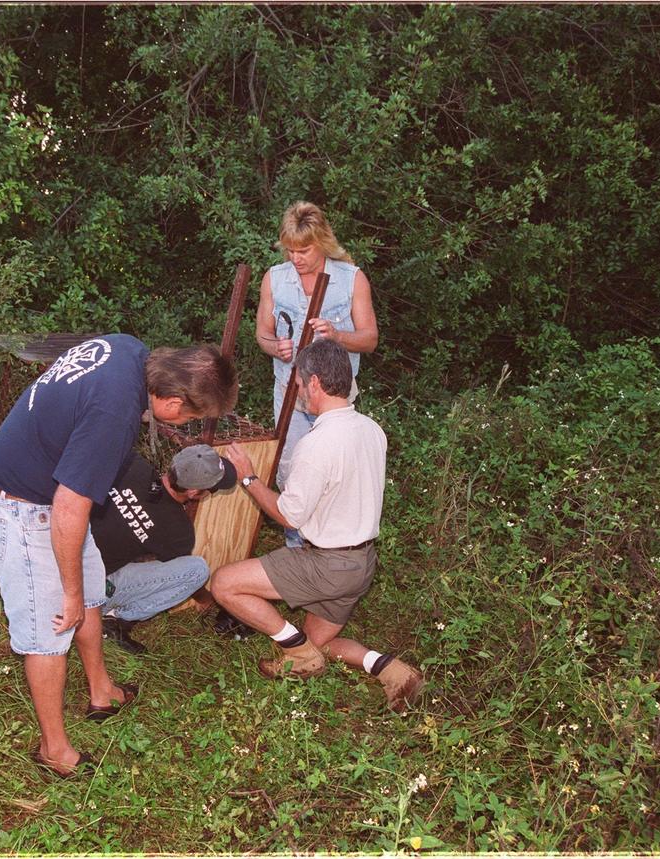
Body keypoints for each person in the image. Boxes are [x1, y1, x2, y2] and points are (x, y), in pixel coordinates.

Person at [0, 335, 237, 778]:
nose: (189, 423)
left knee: (93, 591)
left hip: (49, 494)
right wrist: (68, 594)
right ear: (173, 401)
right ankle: (53, 749)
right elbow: (68, 508)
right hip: (21, 503)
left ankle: (101, 691)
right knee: (51, 624)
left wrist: (81, 591)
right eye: (193, 416)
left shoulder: (129, 350)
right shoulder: (114, 417)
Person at [211, 338, 422, 713]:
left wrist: (249, 478)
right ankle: (395, 672)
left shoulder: (319, 443)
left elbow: (289, 516)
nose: (299, 394)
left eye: (299, 385)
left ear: (315, 384)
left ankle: (295, 652)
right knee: (318, 643)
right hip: (361, 565)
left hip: (326, 566)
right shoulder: (371, 429)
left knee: (224, 584)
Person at [256, 201, 379, 547]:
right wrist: (273, 346)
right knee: (292, 470)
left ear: (322, 241)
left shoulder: (351, 279)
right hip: (291, 394)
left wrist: (337, 336)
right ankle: (297, 550)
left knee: (338, 472)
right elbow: (262, 334)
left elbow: (370, 339)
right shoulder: (274, 279)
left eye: (304, 250)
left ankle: (332, 548)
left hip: (335, 395)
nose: (296, 258)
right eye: (290, 250)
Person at [91, 444, 237, 655]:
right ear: (194, 492)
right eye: (211, 489)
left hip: (55, 555)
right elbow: (174, 574)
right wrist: (208, 600)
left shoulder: (132, 464)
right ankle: (114, 618)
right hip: (91, 587)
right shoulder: (178, 531)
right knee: (196, 570)